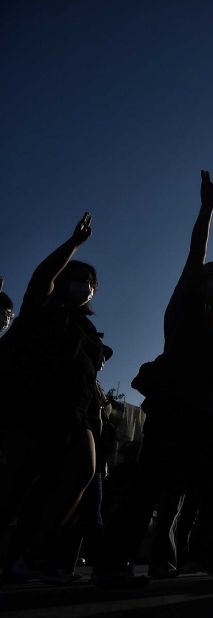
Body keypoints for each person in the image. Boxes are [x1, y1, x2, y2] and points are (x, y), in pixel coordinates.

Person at [94, 171, 213, 587]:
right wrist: (208, 207)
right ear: (202, 283)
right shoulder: (184, 306)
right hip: (177, 413)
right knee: (173, 489)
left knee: (205, 490)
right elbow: (196, 253)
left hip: (202, 414)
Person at [0, 213, 105, 583]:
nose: (85, 287)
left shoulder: (86, 330)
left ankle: (33, 553)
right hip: (31, 413)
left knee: (81, 471)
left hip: (74, 416)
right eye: (78, 279)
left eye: (90, 283)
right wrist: (73, 243)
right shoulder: (41, 311)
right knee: (14, 487)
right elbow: (41, 277)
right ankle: (18, 558)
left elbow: (86, 376)